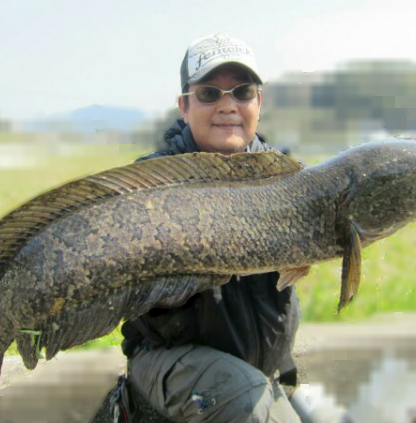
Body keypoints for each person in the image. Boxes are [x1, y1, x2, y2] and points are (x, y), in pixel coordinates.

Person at [93, 33, 303, 423]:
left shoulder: (287, 177)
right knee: (248, 404)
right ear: (184, 106)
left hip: (262, 371)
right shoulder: (150, 185)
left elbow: (353, 189)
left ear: (259, 101)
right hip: (170, 359)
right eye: (209, 93)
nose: (228, 105)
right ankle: (136, 405)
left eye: (242, 92)